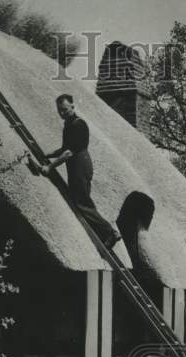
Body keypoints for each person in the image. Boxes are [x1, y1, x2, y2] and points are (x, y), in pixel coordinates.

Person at [29, 94, 121, 249]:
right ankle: (106, 234)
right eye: (59, 110)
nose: (62, 113)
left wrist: (49, 167)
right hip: (76, 165)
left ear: (72, 106)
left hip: (80, 164)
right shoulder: (69, 124)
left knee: (81, 203)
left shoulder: (78, 124)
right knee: (84, 200)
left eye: (64, 109)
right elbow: (64, 148)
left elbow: (68, 153)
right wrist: (47, 155)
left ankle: (111, 232)